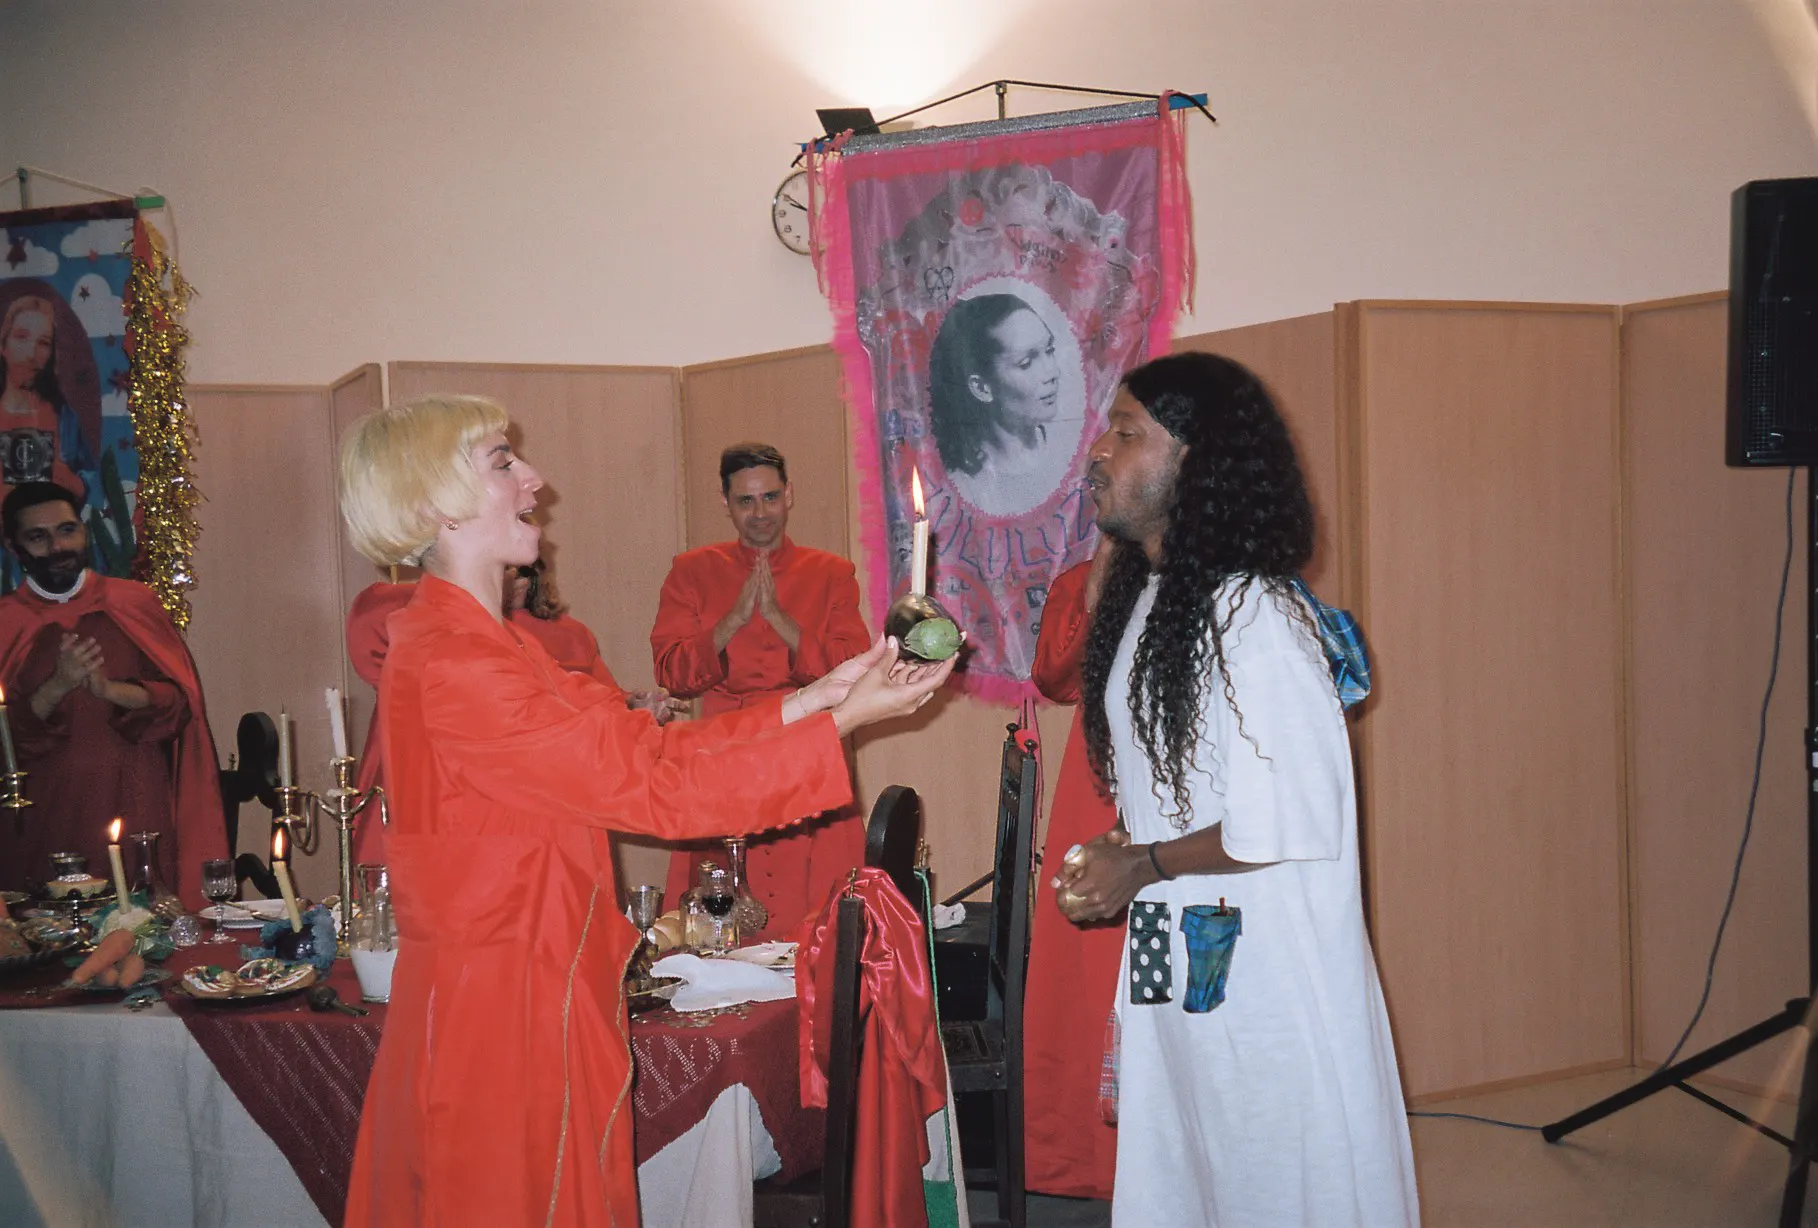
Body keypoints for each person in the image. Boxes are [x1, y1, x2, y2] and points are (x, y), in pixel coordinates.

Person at [337, 396, 954, 1227]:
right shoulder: (456, 662)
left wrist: (818, 700)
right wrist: (841, 721)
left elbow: (648, 747)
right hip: (499, 1020)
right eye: (502, 462)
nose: (534, 478)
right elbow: (657, 787)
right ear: (435, 505)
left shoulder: (491, 644)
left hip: (533, 993)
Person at [1053, 353, 1418, 1226]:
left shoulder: (1256, 616)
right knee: (1185, 1159)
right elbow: (1182, 790)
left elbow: (1287, 817)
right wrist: (1124, 845)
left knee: (1270, 1177)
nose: (1098, 451)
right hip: (1174, 955)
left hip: (1265, 983)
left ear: (1197, 462)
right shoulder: (1152, 597)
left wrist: (1142, 862)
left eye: (1128, 432)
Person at [650, 442, 872, 938]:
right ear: (725, 502)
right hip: (724, 749)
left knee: (816, 913)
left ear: (789, 495)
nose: (760, 513)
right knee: (720, 918)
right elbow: (673, 673)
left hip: (809, 748)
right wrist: (731, 621)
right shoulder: (691, 571)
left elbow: (853, 671)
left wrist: (778, 619)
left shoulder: (831, 573)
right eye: (745, 501)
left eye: (770, 497)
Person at [0, 481, 227, 908]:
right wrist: (57, 685)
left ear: (83, 530)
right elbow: (7, 739)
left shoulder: (133, 603)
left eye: (67, 530)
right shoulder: (7, 623)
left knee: (143, 929)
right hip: (42, 814)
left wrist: (109, 690)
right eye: (38, 537)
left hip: (134, 799)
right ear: (14, 547)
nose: (57, 546)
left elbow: (178, 707)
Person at [1020, 542, 1122, 1201]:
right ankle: (1080, 1161)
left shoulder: (1194, 571)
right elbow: (1053, 679)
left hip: (1175, 780)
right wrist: (1097, 588)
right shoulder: (1080, 580)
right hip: (1097, 781)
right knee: (1083, 969)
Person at [928, 292, 1079, 518]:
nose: (1053, 372)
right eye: (1026, 363)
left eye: (1049, 351)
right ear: (981, 387)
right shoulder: (960, 491)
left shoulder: (1075, 455)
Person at [508, 557, 686, 722]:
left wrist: (635, 706)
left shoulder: (572, 632)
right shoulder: (498, 632)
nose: (511, 579)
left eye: (520, 572)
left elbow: (606, 697)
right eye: (504, 569)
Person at [0, 295, 102, 538]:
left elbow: (90, 482)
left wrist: (68, 480)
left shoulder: (63, 417)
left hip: (52, 545)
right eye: (22, 337)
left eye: (43, 343)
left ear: (51, 354)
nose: (31, 353)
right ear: (3, 345)